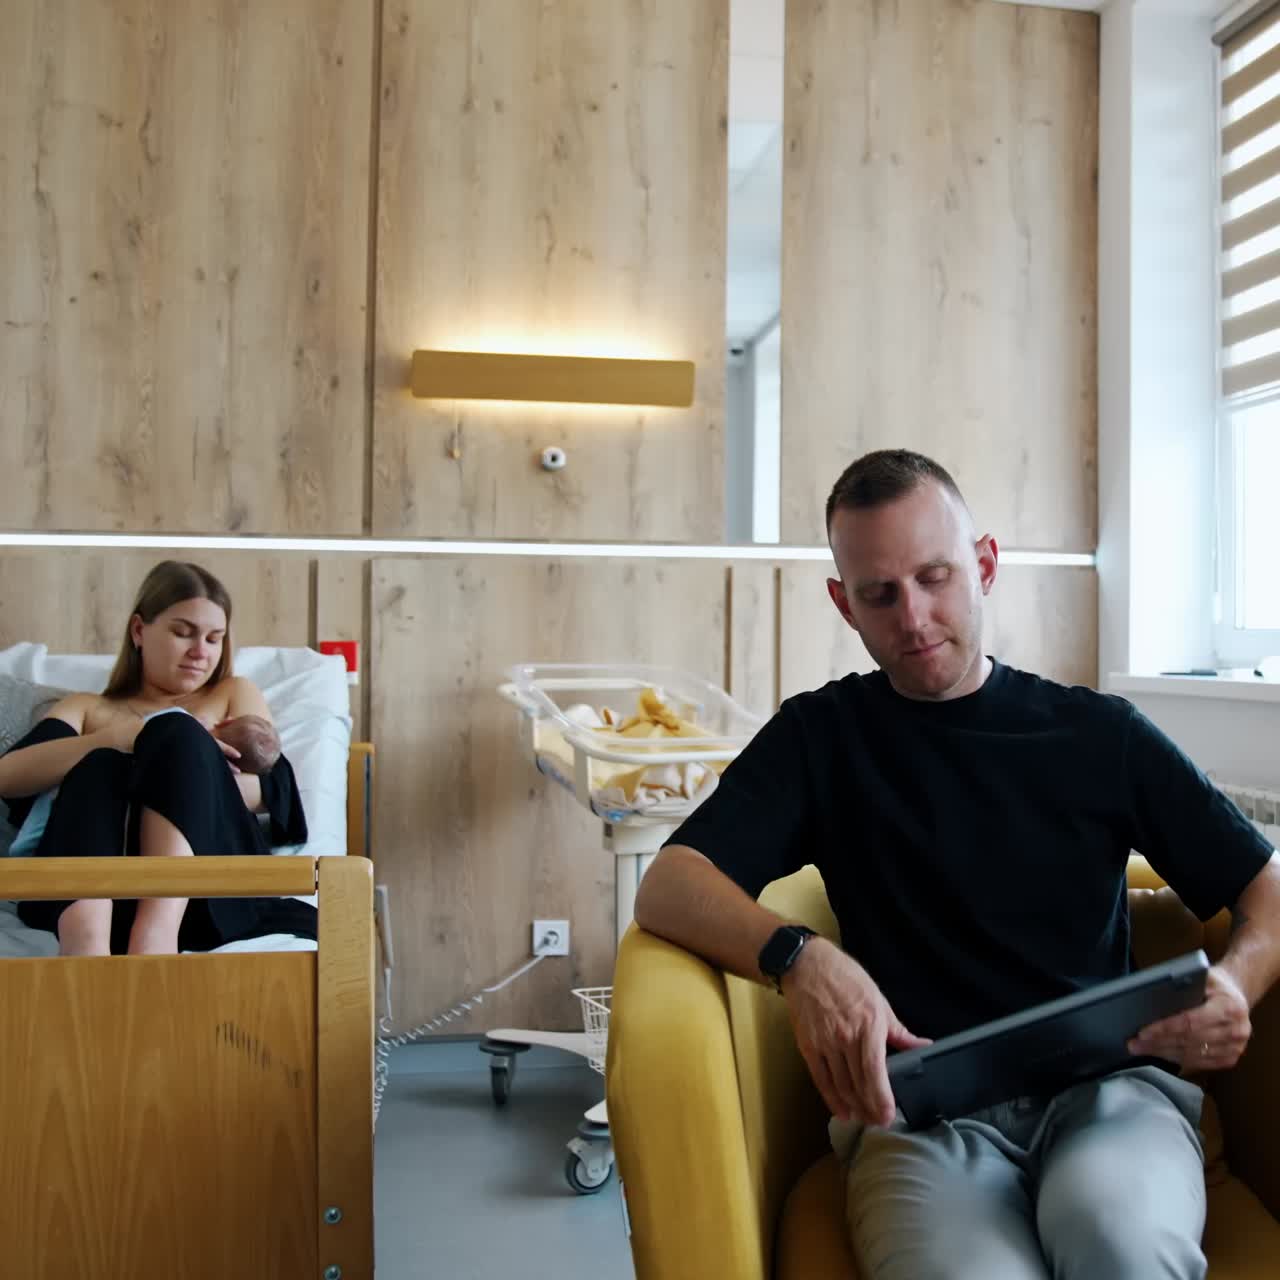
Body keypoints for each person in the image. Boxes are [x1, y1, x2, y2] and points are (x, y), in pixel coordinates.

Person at [634, 449, 1280, 1279]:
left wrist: (1238, 983)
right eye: (880, 594)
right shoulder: (819, 739)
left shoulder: (1099, 735)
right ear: (845, 605)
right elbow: (670, 882)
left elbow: (1266, 890)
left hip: (1111, 1099)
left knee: (1120, 1242)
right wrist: (800, 956)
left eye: (935, 577)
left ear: (983, 566)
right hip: (920, 1118)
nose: (912, 616)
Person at [0, 560, 311, 957]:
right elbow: (8, 776)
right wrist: (123, 737)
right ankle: (85, 937)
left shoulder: (231, 693)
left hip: (207, 891)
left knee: (176, 731)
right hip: (91, 887)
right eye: (184, 634)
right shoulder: (87, 708)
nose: (201, 652)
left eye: (214, 639)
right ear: (138, 631)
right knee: (101, 763)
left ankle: (156, 935)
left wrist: (181, 753)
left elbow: (266, 791)